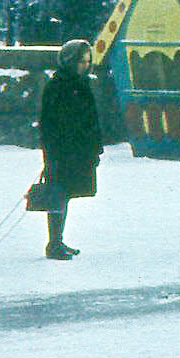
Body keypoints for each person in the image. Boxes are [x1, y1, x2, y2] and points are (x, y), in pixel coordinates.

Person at [38, 39, 103, 260]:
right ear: (69, 61)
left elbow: (89, 119)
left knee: (64, 194)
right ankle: (53, 243)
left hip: (77, 151)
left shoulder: (79, 84)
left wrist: (94, 148)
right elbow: (50, 122)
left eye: (87, 61)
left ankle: (57, 241)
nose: (85, 65)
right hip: (63, 151)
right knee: (58, 193)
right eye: (81, 61)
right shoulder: (59, 86)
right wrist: (52, 153)